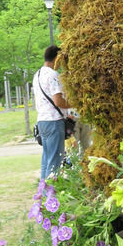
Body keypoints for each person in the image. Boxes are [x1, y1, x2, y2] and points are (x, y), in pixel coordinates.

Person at [33, 45, 73, 180]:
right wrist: (75, 104)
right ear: (56, 58)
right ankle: (52, 196)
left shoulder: (37, 75)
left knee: (46, 160)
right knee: (55, 162)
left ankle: (44, 193)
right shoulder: (52, 75)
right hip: (54, 122)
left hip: (42, 122)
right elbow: (58, 101)